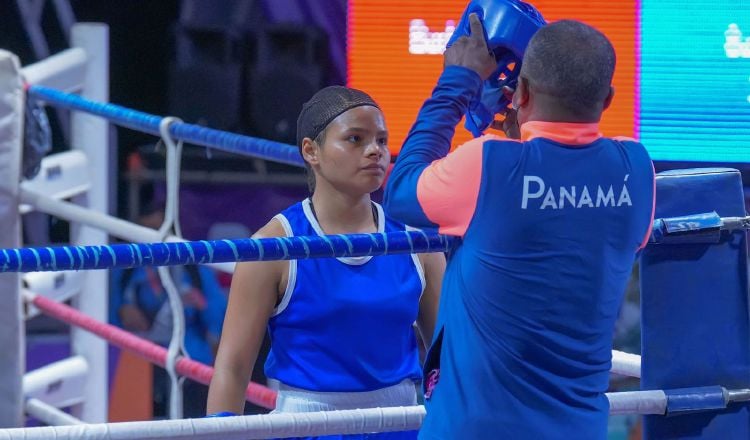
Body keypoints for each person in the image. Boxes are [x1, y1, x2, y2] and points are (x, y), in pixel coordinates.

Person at [383, 14, 655, 440]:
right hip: (578, 430)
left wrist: (458, 83)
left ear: (521, 92)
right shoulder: (635, 169)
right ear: (607, 100)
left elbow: (399, 191)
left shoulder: (489, 162)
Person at [206, 86, 445, 439]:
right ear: (310, 150)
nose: (374, 151)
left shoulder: (415, 243)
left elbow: (445, 357)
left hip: (403, 422)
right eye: (355, 139)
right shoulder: (273, 246)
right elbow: (233, 366)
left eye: (381, 140)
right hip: (309, 426)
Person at [110, 201, 228, 418]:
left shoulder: (195, 268)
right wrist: (122, 313)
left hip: (191, 363)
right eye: (147, 232)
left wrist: (200, 304)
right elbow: (107, 324)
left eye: (159, 232)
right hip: (138, 366)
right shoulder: (124, 272)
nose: (154, 240)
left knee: (194, 429)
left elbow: (219, 321)